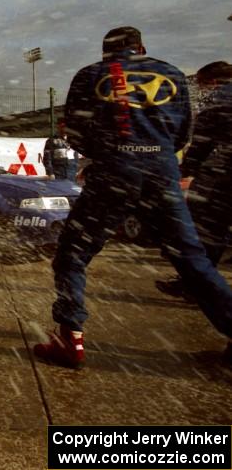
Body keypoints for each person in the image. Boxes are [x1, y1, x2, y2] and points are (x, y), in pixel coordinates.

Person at [34, 27, 232, 369]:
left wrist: (112, 155)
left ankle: (70, 338)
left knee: (73, 251)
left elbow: (77, 131)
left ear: (105, 50)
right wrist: (155, 154)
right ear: (141, 47)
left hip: (114, 171)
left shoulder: (92, 74)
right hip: (163, 172)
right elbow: (184, 131)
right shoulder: (169, 72)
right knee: (192, 258)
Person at [156, 61, 232, 301]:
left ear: (211, 82)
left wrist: (187, 168)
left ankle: (196, 284)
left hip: (224, 172)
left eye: (201, 85)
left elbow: (202, 139)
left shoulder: (219, 96)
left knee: (206, 228)